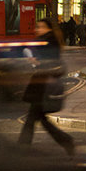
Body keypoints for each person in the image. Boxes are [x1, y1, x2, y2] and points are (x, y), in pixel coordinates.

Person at [19, 16, 75, 156]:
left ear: (49, 28)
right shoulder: (46, 41)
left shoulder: (49, 42)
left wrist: (36, 62)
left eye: (41, 27)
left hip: (44, 84)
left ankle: (22, 148)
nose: (37, 29)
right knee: (38, 118)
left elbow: (50, 61)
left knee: (33, 117)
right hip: (41, 82)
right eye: (37, 27)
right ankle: (65, 140)